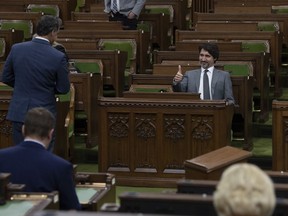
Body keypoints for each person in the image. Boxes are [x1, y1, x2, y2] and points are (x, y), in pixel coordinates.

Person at [1, 15, 70, 151]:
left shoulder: (17, 49)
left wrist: (22, 84)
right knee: (42, 156)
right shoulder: (57, 56)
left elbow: (5, 76)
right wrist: (46, 87)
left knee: (20, 154)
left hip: (20, 111)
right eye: (57, 33)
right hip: (44, 113)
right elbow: (63, 88)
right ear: (52, 32)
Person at [0, 107, 81, 210]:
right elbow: (73, 209)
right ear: (50, 134)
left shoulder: (1, 157)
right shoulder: (62, 167)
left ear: (23, 129)